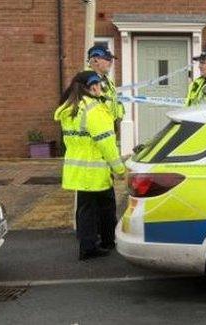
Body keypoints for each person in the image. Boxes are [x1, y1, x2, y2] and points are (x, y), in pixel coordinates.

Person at [54, 70, 126, 260]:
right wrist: (119, 169)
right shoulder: (94, 110)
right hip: (95, 168)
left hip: (77, 168)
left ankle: (91, 243)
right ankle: (97, 245)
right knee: (106, 207)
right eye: (96, 84)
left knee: (86, 208)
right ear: (89, 87)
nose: (99, 88)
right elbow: (107, 143)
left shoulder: (70, 108)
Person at [86, 44, 124, 124]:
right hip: (96, 130)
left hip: (109, 127)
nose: (111, 62)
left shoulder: (108, 81)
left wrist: (118, 117)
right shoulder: (86, 80)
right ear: (96, 60)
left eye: (111, 59)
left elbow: (114, 100)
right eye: (107, 59)